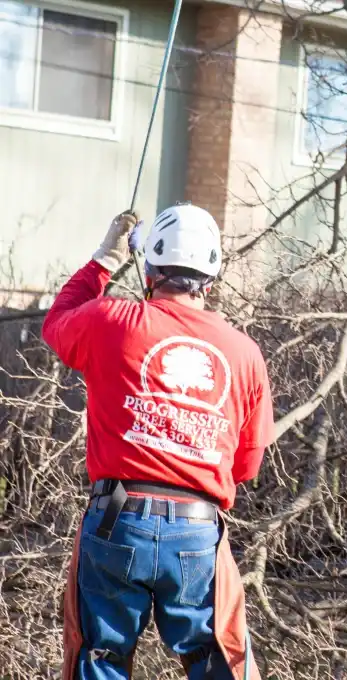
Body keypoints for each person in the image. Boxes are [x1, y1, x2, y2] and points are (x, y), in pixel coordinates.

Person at [41, 205, 275, 680]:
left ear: (149, 270)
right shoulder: (244, 353)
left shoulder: (112, 320)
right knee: (218, 662)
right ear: (210, 277)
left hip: (115, 521)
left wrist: (103, 261)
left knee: (99, 658)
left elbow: (58, 323)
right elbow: (246, 464)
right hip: (197, 531)